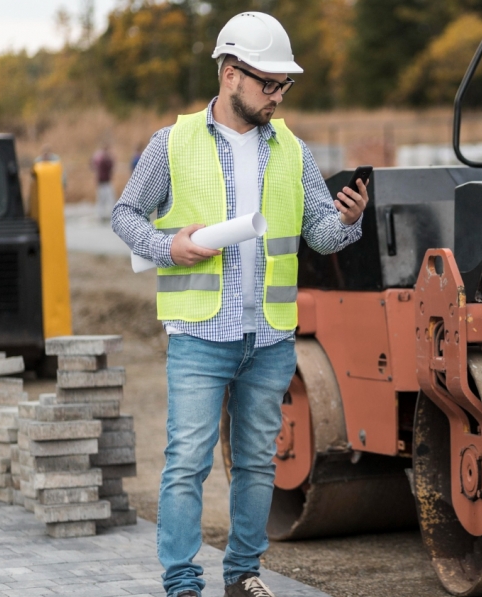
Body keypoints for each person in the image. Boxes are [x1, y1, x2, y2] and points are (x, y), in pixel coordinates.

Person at [111, 12, 368, 597]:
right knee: (186, 465)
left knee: (257, 464)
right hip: (200, 333)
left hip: (270, 336)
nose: (278, 95)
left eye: (284, 86)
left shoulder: (292, 151)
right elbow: (125, 214)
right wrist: (165, 246)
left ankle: (243, 575)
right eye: (268, 84)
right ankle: (181, 583)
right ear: (230, 74)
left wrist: (347, 220)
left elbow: (319, 236)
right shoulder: (171, 143)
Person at [91, 143, 115, 219]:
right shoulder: (102, 159)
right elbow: (110, 165)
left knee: (107, 199)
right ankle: (101, 215)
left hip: (105, 182)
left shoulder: (98, 158)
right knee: (104, 199)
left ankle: (104, 214)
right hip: (103, 182)